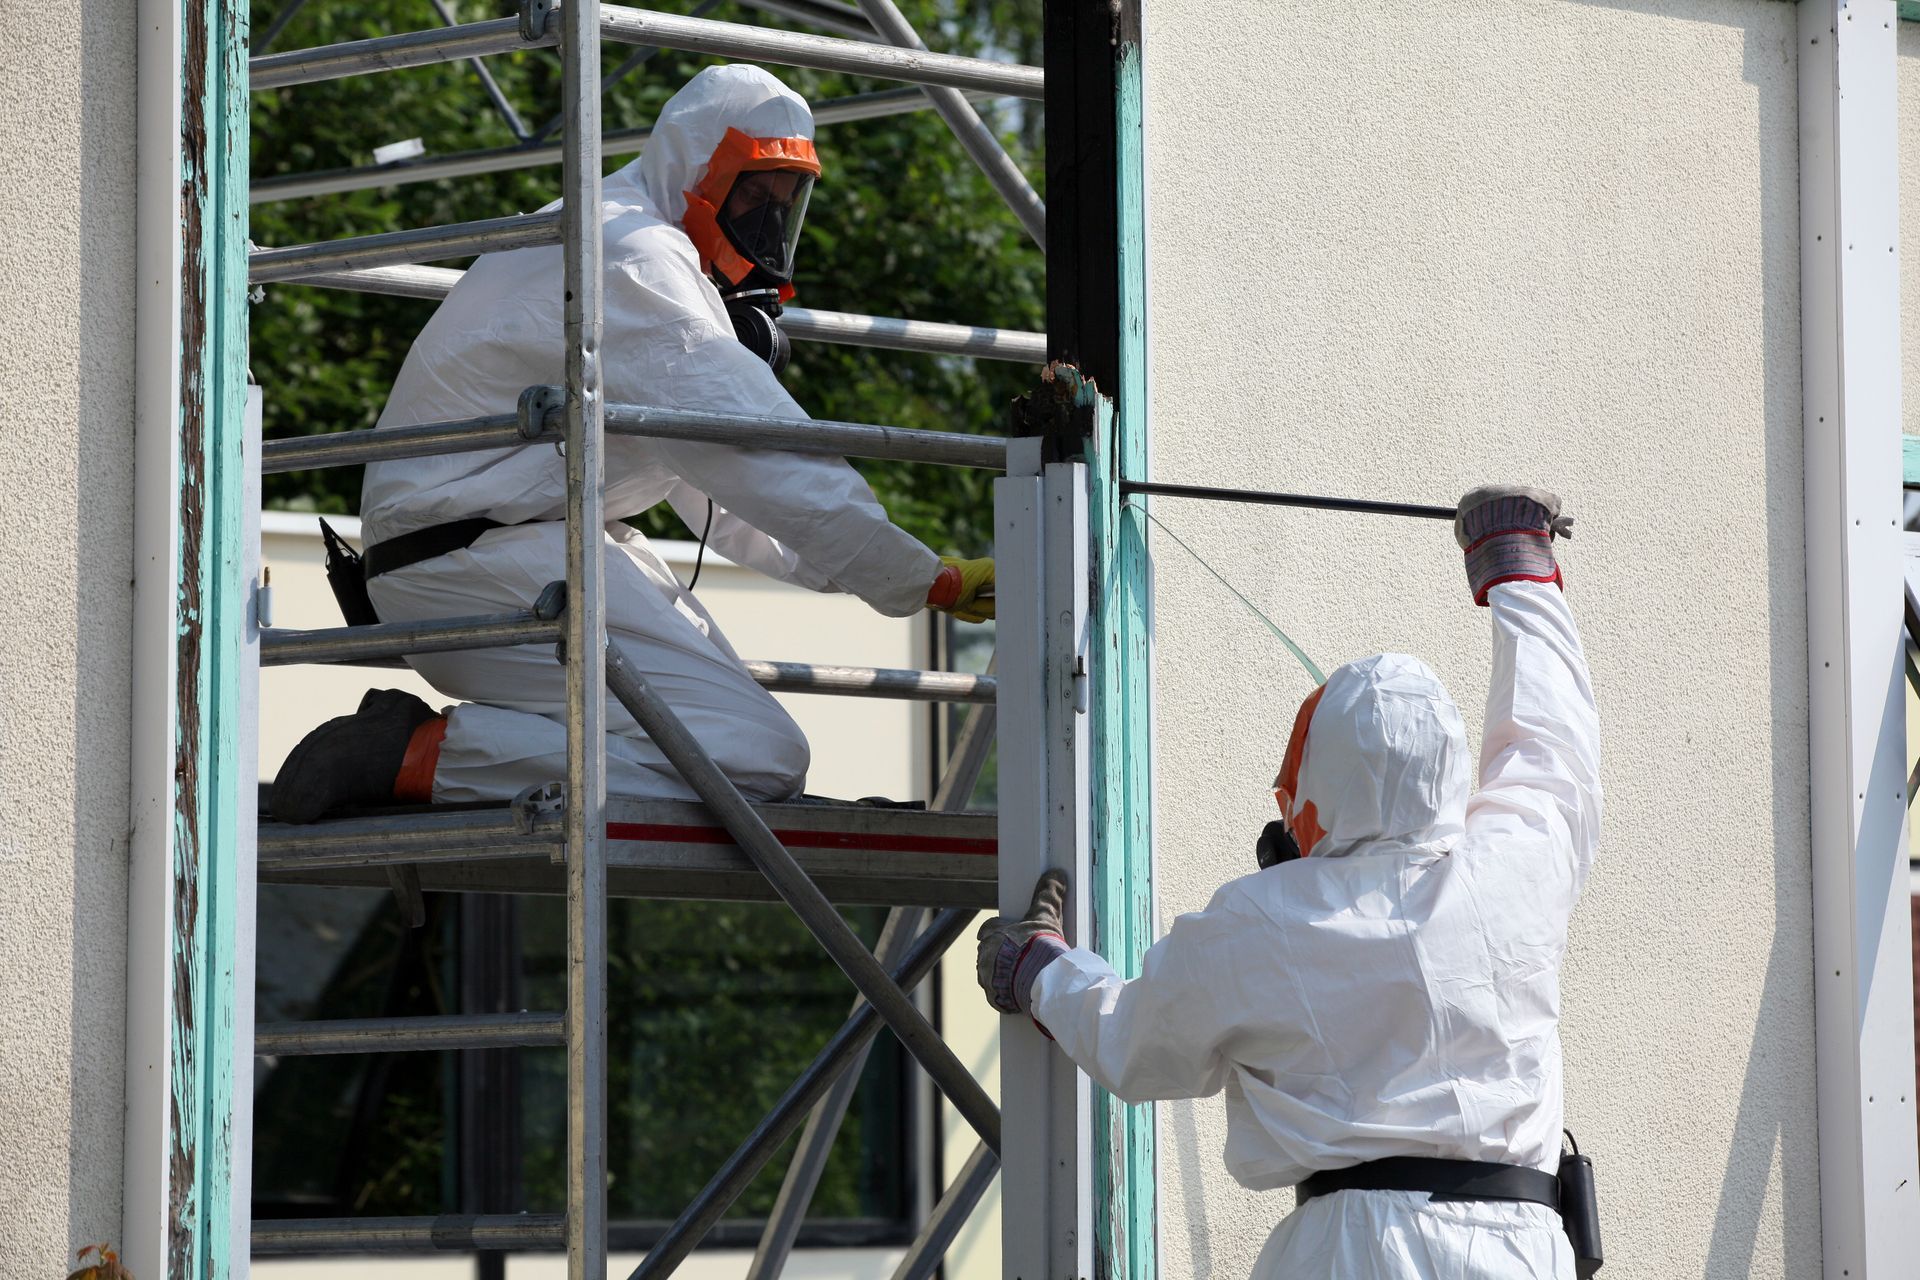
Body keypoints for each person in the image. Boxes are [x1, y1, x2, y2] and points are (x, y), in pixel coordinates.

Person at [273, 65, 993, 823]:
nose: (767, 226)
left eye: (786, 203)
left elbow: (728, 494)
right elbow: (754, 449)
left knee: (745, 750)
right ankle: (413, 755)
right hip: (472, 562)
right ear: (697, 172)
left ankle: (439, 751)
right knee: (752, 757)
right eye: (753, 193)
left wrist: (902, 574)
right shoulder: (634, 256)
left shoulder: (629, 245)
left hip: (499, 551)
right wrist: (918, 577)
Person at [978, 485, 1599, 1280]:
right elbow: (1551, 743)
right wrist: (1519, 569)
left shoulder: (1265, 919)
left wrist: (1038, 969)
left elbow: (1135, 1041)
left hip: (1356, 1251)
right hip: (1527, 1249)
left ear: (1317, 790)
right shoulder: (1517, 867)